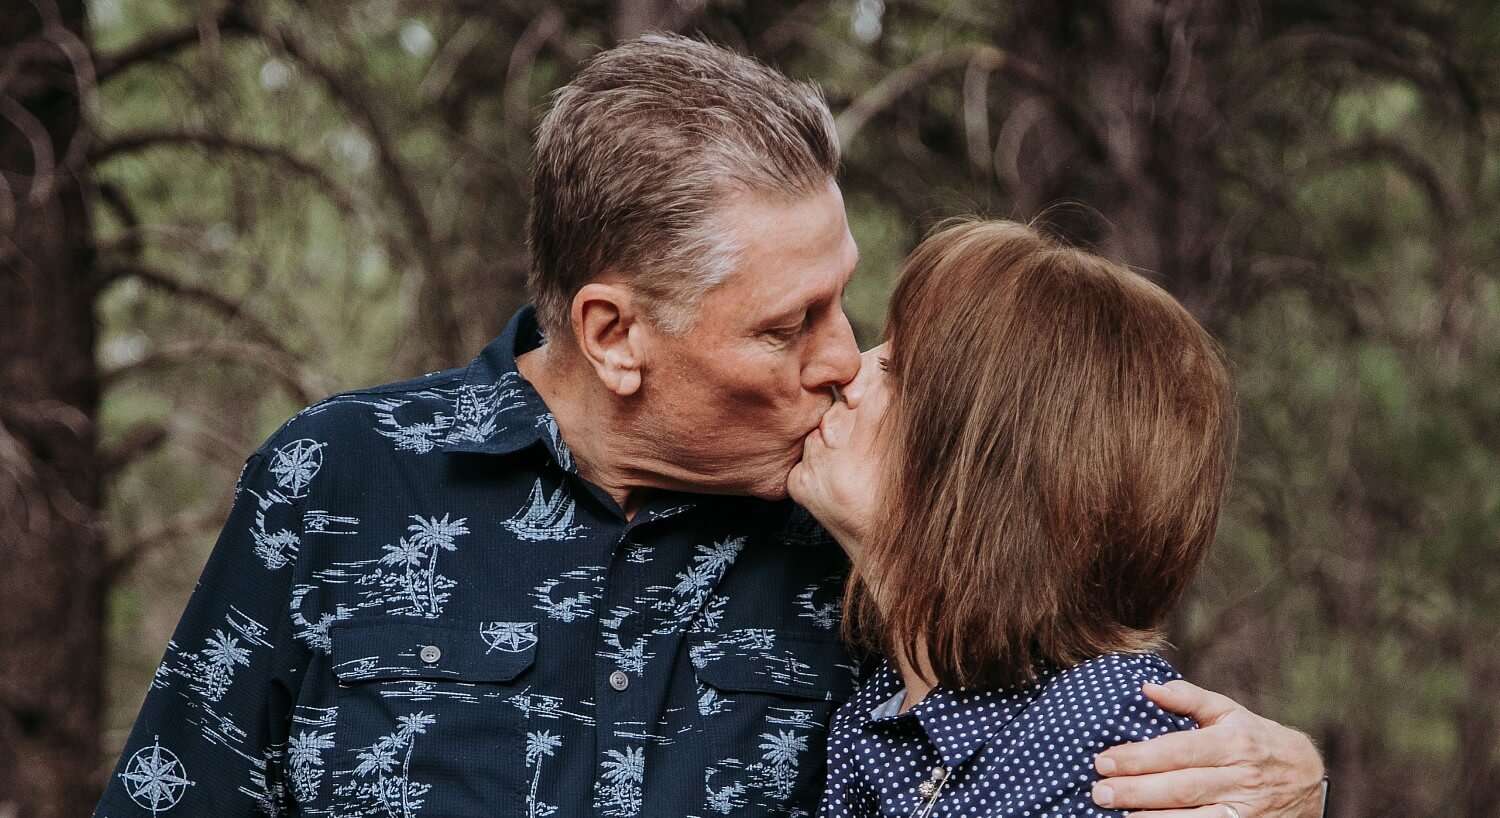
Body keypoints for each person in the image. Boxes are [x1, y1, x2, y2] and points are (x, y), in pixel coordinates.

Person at [93, 35, 1324, 817]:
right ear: (615, 332)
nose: (842, 362)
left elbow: (1060, 715)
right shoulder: (337, 479)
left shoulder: (863, 535)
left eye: (848, 299)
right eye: (788, 326)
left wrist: (1293, 783)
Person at [790, 218, 1307, 818]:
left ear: (986, 470)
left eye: (897, 371)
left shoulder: (1108, 734)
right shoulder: (879, 705)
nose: (851, 371)